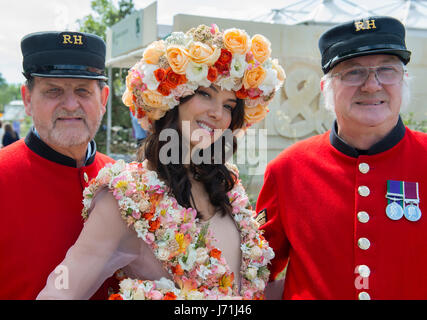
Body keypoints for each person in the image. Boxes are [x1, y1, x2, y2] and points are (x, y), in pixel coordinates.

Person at [36, 24, 284, 300]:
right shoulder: (127, 194)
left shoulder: (227, 187)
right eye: (205, 94)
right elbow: (61, 292)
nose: (217, 113)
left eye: (228, 105)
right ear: (173, 100)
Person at [257, 16, 427, 300]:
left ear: (404, 80)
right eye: (353, 72)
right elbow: (255, 273)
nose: (372, 85)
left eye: (387, 70)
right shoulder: (287, 170)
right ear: (326, 88)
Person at [0, 31, 116, 299]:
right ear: (27, 99)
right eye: (53, 90)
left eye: (83, 91)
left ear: (103, 99)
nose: (71, 104)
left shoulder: (125, 181)